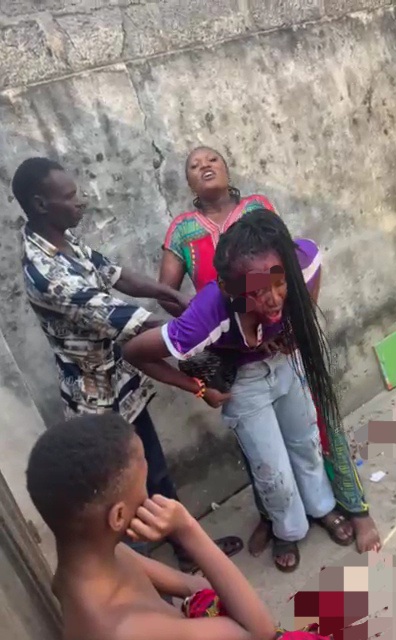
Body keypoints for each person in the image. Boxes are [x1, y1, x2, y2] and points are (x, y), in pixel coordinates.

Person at [12, 156, 242, 569]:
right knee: (123, 507)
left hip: (122, 384)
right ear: (41, 204)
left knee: (155, 475)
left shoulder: (64, 239)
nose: (81, 201)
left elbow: (116, 275)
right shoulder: (47, 274)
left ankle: (190, 554)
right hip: (96, 406)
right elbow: (129, 322)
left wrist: (172, 295)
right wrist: (201, 327)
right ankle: (151, 590)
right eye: (70, 196)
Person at [124, 208, 379, 572]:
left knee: (305, 443)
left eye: (279, 284)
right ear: (230, 290)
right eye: (257, 292)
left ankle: (322, 508)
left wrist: (294, 328)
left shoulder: (297, 263)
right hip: (244, 383)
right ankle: (287, 529)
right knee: (272, 470)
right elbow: (134, 352)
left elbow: (313, 262)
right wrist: (199, 389)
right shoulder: (207, 315)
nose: (273, 299)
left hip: (286, 365)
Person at [26, 413, 331, 640]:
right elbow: (260, 633)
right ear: (118, 517)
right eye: (143, 484)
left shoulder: (95, 561)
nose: (150, 492)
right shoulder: (122, 630)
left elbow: (196, 587)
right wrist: (187, 529)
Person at [159, 146, 277, 558]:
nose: (204, 166)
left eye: (212, 160)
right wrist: (207, 321)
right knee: (258, 450)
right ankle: (273, 519)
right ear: (189, 183)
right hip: (233, 355)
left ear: (227, 169)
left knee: (303, 434)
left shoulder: (257, 208)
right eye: (194, 165)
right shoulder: (182, 230)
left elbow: (286, 262)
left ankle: (322, 505)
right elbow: (165, 292)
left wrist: (277, 324)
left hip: (277, 337)